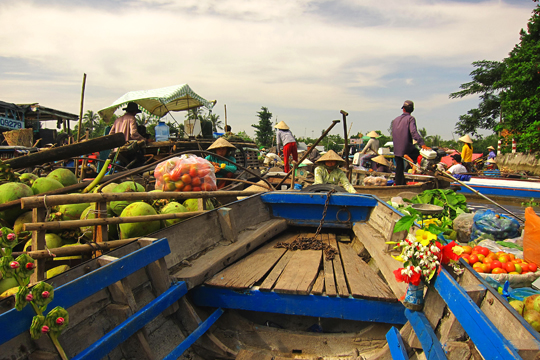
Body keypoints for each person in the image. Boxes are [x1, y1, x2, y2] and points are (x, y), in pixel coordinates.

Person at [391, 100, 430, 185]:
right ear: (412, 110)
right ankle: (420, 173)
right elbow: (413, 132)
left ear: (403, 109)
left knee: (399, 168)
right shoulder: (410, 118)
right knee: (420, 157)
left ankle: (399, 183)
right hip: (406, 148)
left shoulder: (395, 120)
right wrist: (422, 144)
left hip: (397, 149)